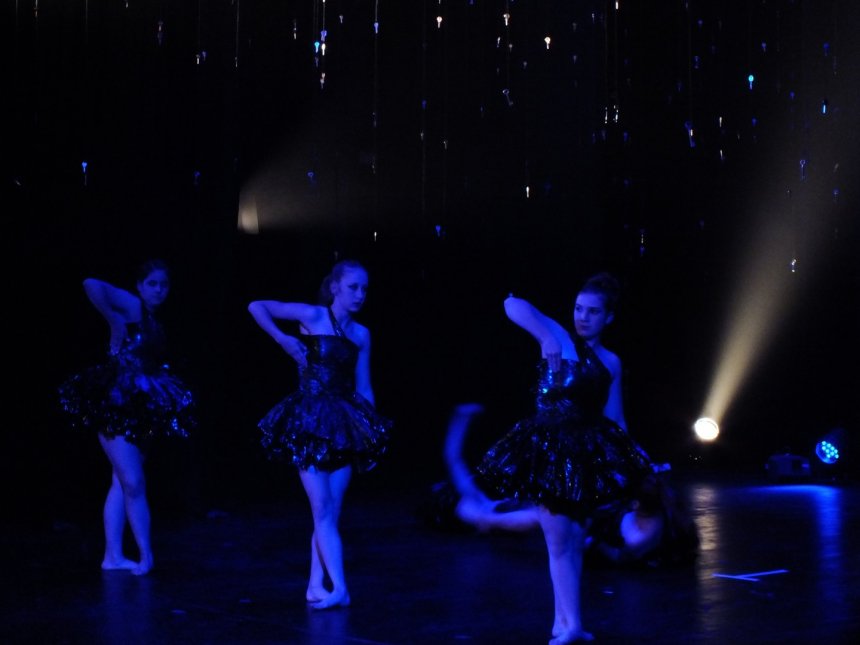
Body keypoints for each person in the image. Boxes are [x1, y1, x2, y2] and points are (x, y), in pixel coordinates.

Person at [449, 272, 656, 644]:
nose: (583, 317)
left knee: (574, 540)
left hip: (585, 459)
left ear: (609, 317)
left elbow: (615, 417)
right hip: (548, 453)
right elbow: (512, 303)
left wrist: (633, 459)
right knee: (559, 540)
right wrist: (544, 336)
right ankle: (571, 625)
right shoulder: (560, 338)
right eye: (579, 308)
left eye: (593, 311)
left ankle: (564, 623)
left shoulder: (611, 361)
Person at [248, 259, 392, 610]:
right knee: (323, 507)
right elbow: (256, 306)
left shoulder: (361, 334)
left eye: (365, 288)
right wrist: (283, 340)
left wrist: (369, 432)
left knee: (330, 512)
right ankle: (340, 587)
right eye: (353, 287)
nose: (360, 294)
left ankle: (315, 585)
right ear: (335, 287)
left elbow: (364, 386)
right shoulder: (313, 316)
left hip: (343, 425)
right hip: (309, 423)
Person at [59, 259, 196, 576]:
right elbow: (91, 283)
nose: (159, 290)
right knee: (133, 481)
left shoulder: (154, 320)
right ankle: (146, 555)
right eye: (152, 284)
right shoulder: (133, 306)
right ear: (139, 286)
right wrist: (113, 320)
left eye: (164, 285)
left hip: (142, 406)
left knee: (121, 482)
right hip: (118, 402)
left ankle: (113, 556)